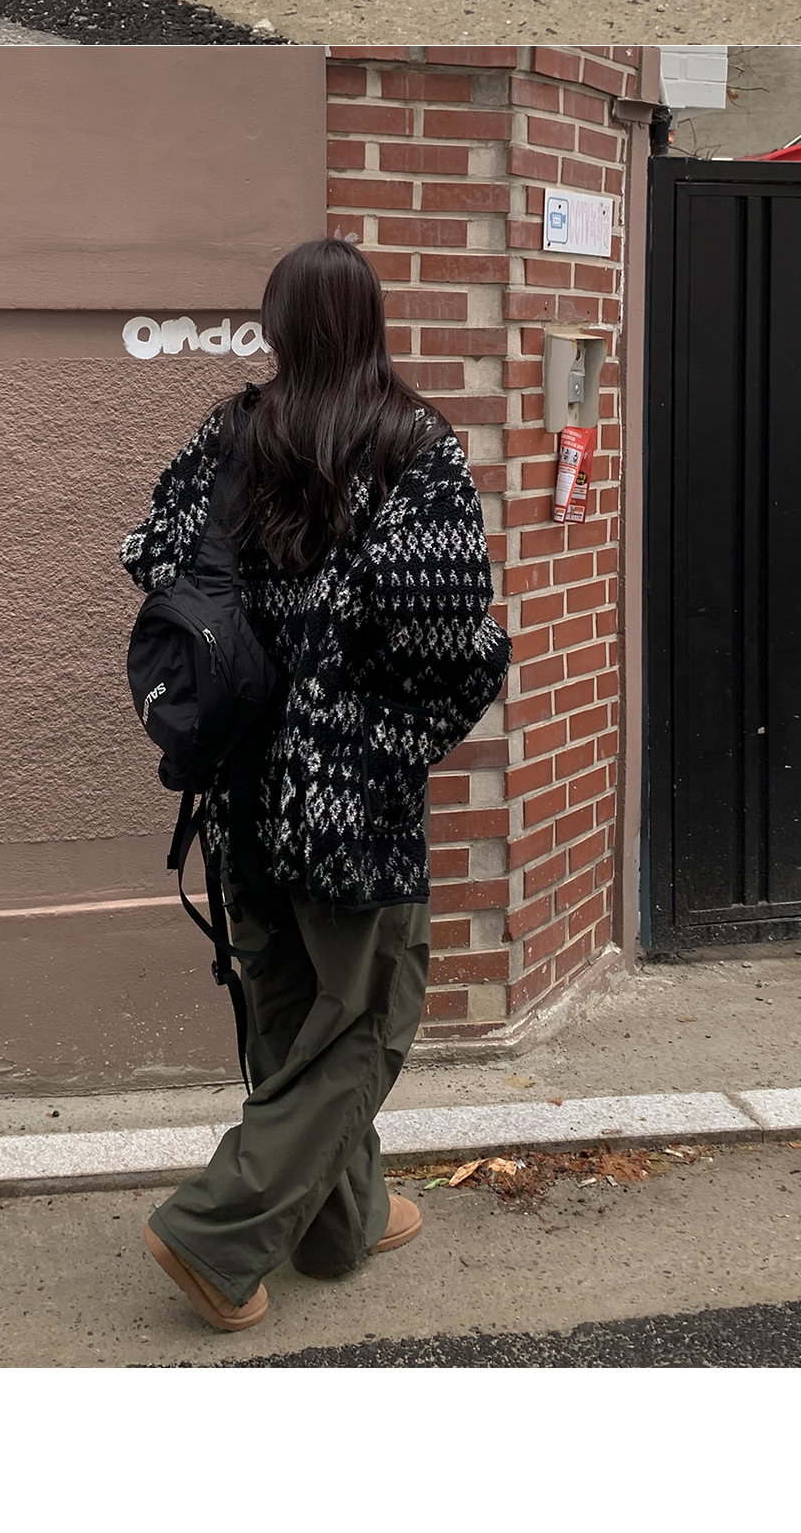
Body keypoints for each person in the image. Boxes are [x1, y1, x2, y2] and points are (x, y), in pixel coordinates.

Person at [122, 233, 510, 1334]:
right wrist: (446, 689)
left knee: (291, 1011)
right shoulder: (410, 443)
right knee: (369, 1016)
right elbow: (442, 627)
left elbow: (153, 556)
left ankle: (341, 1221)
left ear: (280, 324)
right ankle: (216, 1234)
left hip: (239, 782)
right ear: (370, 322)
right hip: (350, 791)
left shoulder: (232, 433)